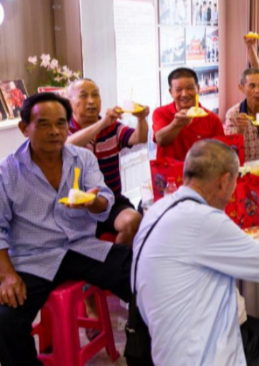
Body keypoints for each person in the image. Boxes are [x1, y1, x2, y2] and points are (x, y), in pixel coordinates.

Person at [133, 140, 259, 366]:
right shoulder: (205, 220)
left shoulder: (157, 210)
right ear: (223, 182)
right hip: (203, 350)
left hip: (171, 338)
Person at [0, 93, 131, 366]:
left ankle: (141, 353)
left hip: (83, 247)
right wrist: (8, 275)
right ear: (24, 128)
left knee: (144, 273)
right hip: (33, 257)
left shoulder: (82, 159)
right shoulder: (8, 171)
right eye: (43, 124)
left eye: (61, 123)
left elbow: (104, 200)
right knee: (5, 319)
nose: (54, 131)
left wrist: (92, 201)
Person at [66, 79, 146, 245]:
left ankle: (117, 259)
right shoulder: (63, 129)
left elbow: (140, 138)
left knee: (133, 220)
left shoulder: (113, 127)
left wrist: (141, 119)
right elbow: (66, 147)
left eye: (95, 95)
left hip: (110, 201)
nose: (91, 101)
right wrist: (102, 124)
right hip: (75, 207)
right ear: (69, 102)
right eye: (83, 96)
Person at [153, 67, 225, 161]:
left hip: (200, 169)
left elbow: (220, 152)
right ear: (171, 92)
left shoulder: (212, 118)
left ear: (198, 88)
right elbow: (160, 140)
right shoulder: (161, 113)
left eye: (190, 88)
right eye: (178, 90)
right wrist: (177, 123)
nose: (184, 94)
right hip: (168, 170)